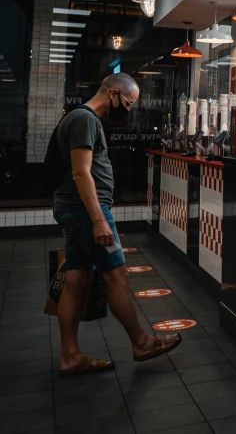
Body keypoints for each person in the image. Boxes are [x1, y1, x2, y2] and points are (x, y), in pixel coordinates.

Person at [53, 73, 181, 375]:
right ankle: (141, 342)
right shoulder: (84, 120)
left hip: (76, 208)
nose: (129, 109)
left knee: (77, 279)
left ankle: (69, 355)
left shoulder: (82, 119)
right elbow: (82, 173)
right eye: (128, 103)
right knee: (116, 274)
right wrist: (99, 220)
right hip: (87, 211)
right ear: (112, 93)